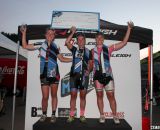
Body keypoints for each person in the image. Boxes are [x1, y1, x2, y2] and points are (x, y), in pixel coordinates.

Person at [20, 26, 72, 123]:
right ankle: (44, 114)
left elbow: (62, 59)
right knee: (45, 97)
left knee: (54, 95)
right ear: (45, 35)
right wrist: (24, 33)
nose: (50, 35)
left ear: (54, 36)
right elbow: (24, 46)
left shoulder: (56, 47)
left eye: (52, 34)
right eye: (48, 33)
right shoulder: (40, 44)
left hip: (54, 74)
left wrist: (74, 59)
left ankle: (53, 115)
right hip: (44, 74)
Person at [92, 21, 134, 124]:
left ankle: (115, 115)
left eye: (101, 38)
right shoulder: (92, 51)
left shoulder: (109, 48)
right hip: (97, 77)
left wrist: (129, 28)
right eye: (98, 38)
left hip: (108, 76)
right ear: (95, 40)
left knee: (111, 96)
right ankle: (102, 115)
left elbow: (124, 43)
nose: (99, 39)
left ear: (103, 39)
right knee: (99, 96)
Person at [65, 26, 92, 123]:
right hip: (73, 76)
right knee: (73, 96)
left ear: (85, 41)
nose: (80, 41)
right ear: (77, 41)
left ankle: (82, 115)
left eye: (82, 39)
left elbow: (91, 64)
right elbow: (67, 42)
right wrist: (72, 33)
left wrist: (89, 70)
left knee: (83, 96)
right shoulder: (74, 50)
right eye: (79, 40)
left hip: (84, 76)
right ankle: (71, 115)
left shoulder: (89, 52)